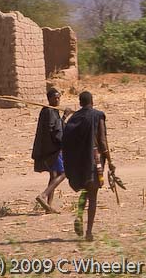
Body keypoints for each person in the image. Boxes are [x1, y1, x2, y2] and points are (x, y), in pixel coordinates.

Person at [62, 91, 115, 241]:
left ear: (80, 103)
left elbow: (66, 136)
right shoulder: (98, 115)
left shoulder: (75, 117)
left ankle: (79, 216)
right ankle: (89, 232)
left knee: (85, 191)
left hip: (80, 162)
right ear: (92, 101)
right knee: (93, 196)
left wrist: (65, 116)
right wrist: (110, 161)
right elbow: (103, 142)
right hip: (93, 160)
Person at [32, 88, 73, 213]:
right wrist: (65, 116)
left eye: (59, 97)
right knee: (64, 173)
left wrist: (62, 119)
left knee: (54, 175)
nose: (57, 100)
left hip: (48, 148)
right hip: (53, 149)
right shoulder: (49, 111)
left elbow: (56, 126)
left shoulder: (49, 111)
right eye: (55, 98)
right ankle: (43, 195)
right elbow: (56, 130)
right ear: (49, 99)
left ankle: (48, 207)